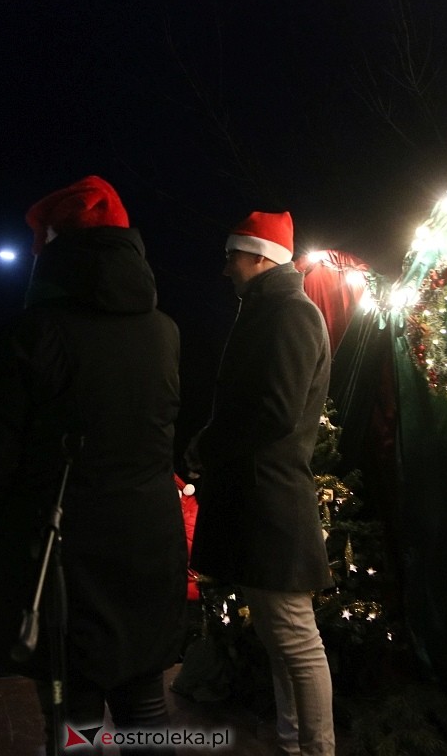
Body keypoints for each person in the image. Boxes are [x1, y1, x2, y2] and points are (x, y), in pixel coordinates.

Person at [0, 175, 187, 749]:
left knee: (73, 711)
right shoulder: (165, 333)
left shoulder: (33, 334)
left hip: (62, 555)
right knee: (144, 704)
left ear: (54, 251)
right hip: (148, 545)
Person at [185, 210, 335, 755]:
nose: (225, 269)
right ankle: (293, 744)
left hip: (272, 502)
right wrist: (210, 440)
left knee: (295, 638)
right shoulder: (269, 312)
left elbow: (273, 411)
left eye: (232, 256)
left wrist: (211, 443)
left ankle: (315, 750)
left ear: (258, 257)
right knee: (279, 637)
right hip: (258, 499)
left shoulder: (289, 314)